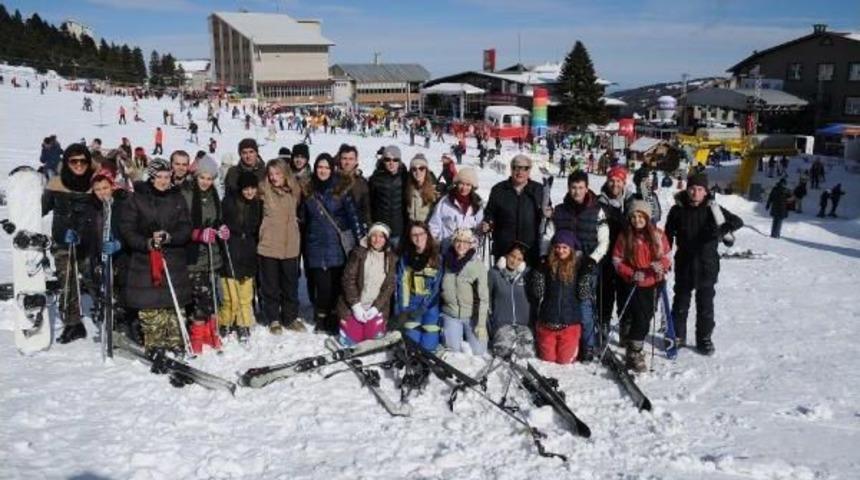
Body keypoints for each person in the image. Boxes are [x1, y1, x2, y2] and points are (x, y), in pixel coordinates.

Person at [118, 158, 192, 356]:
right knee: (151, 306)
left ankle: (176, 341)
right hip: (146, 261)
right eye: (159, 177)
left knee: (172, 304)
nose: (164, 181)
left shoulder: (177, 198)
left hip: (173, 258)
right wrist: (147, 242)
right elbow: (127, 229)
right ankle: (155, 343)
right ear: (151, 177)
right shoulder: (137, 198)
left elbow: (186, 226)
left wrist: (171, 237)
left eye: (167, 176)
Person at [665, 173, 743, 355]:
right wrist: (663, 256)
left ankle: (704, 339)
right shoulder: (677, 210)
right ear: (687, 188)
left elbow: (738, 221)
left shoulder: (713, 209)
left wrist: (724, 228)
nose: (695, 192)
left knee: (705, 305)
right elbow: (667, 236)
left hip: (707, 265)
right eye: (692, 188)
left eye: (700, 189)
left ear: (705, 191)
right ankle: (678, 335)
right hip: (684, 263)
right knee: (681, 302)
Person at [300, 153, 363, 334]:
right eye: (320, 167)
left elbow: (353, 216)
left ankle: (335, 317)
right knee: (322, 286)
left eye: (326, 167)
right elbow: (303, 218)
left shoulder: (341, 189)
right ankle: (321, 318)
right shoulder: (308, 190)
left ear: (332, 169)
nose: (323, 170)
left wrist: (359, 241)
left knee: (336, 285)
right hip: (316, 244)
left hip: (337, 245)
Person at [551, 170, 610, 360]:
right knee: (563, 301)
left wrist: (593, 260)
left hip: (587, 265)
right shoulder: (560, 210)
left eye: (581, 188)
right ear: (568, 188)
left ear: (587, 188)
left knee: (585, 304)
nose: (577, 192)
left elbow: (604, 241)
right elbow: (549, 235)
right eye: (573, 188)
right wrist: (546, 256)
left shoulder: (597, 210)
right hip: (564, 264)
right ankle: (567, 340)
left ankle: (589, 344)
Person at [42, 144, 98, 343]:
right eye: (74, 161)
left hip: (89, 242)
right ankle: (73, 324)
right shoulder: (56, 184)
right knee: (67, 282)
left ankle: (108, 315)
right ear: (66, 162)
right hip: (62, 243)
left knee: (95, 279)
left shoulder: (95, 182)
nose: (79, 165)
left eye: (83, 161)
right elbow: (40, 208)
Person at [612, 200, 672, 372]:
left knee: (647, 315)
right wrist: (630, 273)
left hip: (653, 282)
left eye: (641, 216)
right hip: (634, 282)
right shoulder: (625, 236)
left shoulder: (658, 235)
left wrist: (662, 264)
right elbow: (616, 260)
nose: (637, 220)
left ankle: (633, 342)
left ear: (647, 217)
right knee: (640, 318)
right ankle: (635, 351)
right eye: (633, 216)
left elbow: (668, 254)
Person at [179, 156, 226, 354]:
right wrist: (197, 234)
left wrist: (221, 228)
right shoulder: (187, 194)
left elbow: (216, 219)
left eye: (210, 178)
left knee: (212, 295)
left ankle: (209, 332)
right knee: (201, 296)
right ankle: (197, 335)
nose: (206, 182)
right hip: (194, 255)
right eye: (203, 177)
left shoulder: (214, 194)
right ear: (196, 176)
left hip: (211, 253)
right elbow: (180, 225)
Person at [257, 159, 304, 334]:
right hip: (269, 245)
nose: (274, 177)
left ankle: (290, 317)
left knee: (290, 284)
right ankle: (273, 318)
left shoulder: (295, 192)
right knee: (270, 285)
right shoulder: (264, 191)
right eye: (271, 174)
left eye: (277, 174)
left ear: (285, 174)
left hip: (290, 245)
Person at [336, 223, 397, 346]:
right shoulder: (358, 254)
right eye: (374, 236)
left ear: (386, 239)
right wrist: (356, 306)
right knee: (351, 341)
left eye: (381, 236)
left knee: (373, 339)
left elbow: (389, 286)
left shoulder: (390, 258)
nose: (377, 240)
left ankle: (374, 323)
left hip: (375, 307)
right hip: (354, 306)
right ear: (369, 237)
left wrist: (376, 308)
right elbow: (348, 280)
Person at [219, 171, 262, 343]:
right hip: (231, 249)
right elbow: (219, 220)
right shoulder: (229, 202)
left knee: (245, 295)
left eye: (253, 188)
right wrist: (221, 229)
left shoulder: (257, 204)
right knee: (230, 296)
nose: (250, 192)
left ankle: (244, 323)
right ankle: (226, 321)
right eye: (246, 189)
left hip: (248, 251)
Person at [529, 230, 583, 364]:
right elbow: (538, 292)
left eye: (565, 247)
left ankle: (575, 346)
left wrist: (586, 276)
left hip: (569, 324)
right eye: (558, 247)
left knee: (564, 361)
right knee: (547, 360)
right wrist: (539, 273)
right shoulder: (547, 266)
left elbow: (584, 294)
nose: (560, 250)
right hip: (548, 322)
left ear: (571, 249)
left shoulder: (578, 268)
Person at [481, 154, 545, 265]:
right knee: (501, 281)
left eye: (525, 168)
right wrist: (487, 222)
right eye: (517, 167)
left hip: (529, 250)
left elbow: (546, 212)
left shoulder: (538, 190)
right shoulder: (499, 190)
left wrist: (548, 213)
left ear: (529, 170)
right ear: (511, 169)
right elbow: (489, 212)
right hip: (504, 248)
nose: (520, 172)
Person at [596, 166, 634, 341]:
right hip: (605, 254)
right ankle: (603, 322)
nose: (615, 184)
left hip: (626, 256)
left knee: (624, 291)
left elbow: (650, 215)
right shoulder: (599, 202)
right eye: (612, 180)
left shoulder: (631, 201)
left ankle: (626, 325)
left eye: (618, 181)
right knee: (605, 290)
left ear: (623, 183)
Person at [394, 221, 443, 351]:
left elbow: (436, 287)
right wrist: (404, 308)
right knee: (412, 342)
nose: (418, 238)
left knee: (428, 345)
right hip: (412, 303)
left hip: (430, 304)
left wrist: (424, 307)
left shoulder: (436, 257)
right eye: (414, 235)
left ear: (427, 234)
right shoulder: (406, 258)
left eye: (421, 233)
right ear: (410, 238)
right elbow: (402, 283)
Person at [488, 242, 534, 358]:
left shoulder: (527, 275)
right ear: (506, 256)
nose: (514, 261)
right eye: (512, 256)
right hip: (502, 324)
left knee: (526, 353)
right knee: (504, 351)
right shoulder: (494, 274)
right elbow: (486, 298)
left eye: (519, 259)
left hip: (523, 325)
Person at [428, 166, 483, 252]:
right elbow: (434, 225)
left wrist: (472, 243)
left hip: (467, 252)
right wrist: (438, 243)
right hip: (446, 250)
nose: (464, 188)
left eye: (468, 185)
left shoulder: (477, 204)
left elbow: (479, 229)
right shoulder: (445, 201)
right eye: (461, 183)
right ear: (457, 183)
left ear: (472, 186)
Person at [369, 145, 408, 247]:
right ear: (383, 160)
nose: (391, 163)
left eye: (395, 160)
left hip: (399, 230)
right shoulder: (376, 178)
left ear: (399, 161)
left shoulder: (405, 177)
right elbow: (370, 203)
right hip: (381, 230)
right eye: (387, 160)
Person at [337, 144, 371, 228]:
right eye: (344, 159)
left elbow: (366, 209)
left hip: (356, 227)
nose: (347, 162)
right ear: (339, 160)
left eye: (351, 159)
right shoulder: (333, 180)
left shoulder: (362, 182)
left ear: (356, 161)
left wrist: (368, 226)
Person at [405, 153, 439, 223]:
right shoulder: (407, 189)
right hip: (411, 230)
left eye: (421, 168)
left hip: (426, 230)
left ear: (426, 171)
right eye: (414, 169)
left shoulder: (434, 191)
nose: (418, 172)